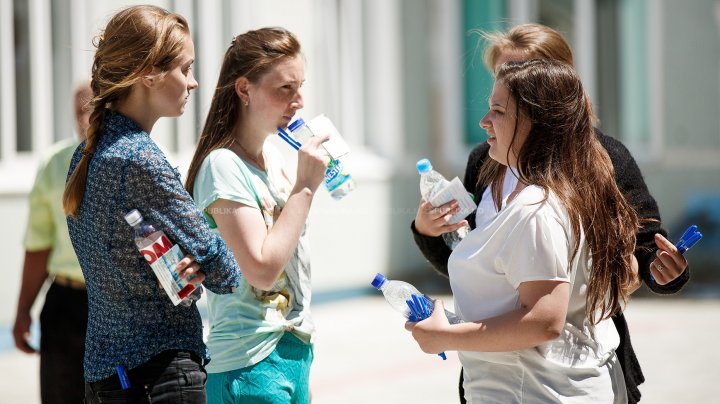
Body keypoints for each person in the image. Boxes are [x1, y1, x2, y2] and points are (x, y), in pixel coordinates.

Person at [411, 23, 689, 404]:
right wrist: (428, 232)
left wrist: (444, 335)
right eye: (502, 79)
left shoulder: (561, 191)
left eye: (505, 100)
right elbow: (483, 262)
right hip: (510, 372)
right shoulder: (487, 160)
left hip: (553, 378)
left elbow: (546, 317)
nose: (485, 121)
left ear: (549, 100)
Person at [62, 5, 242, 403]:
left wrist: (187, 267)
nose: (194, 83)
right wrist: (200, 264)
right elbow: (227, 273)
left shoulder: (86, 154)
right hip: (158, 373)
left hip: (106, 375)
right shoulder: (138, 158)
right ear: (148, 74)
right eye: (185, 69)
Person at [185, 27, 328, 403]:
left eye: (301, 87)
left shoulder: (276, 161)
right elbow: (262, 269)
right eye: (284, 88)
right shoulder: (222, 165)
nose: (298, 101)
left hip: (291, 350)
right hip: (249, 362)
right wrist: (305, 188)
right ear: (244, 89)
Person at [12, 82, 92, 403]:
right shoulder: (54, 164)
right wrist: (22, 312)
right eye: (79, 111)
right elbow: (38, 244)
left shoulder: (132, 160)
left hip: (111, 303)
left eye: (92, 109)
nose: (85, 118)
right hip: (64, 302)